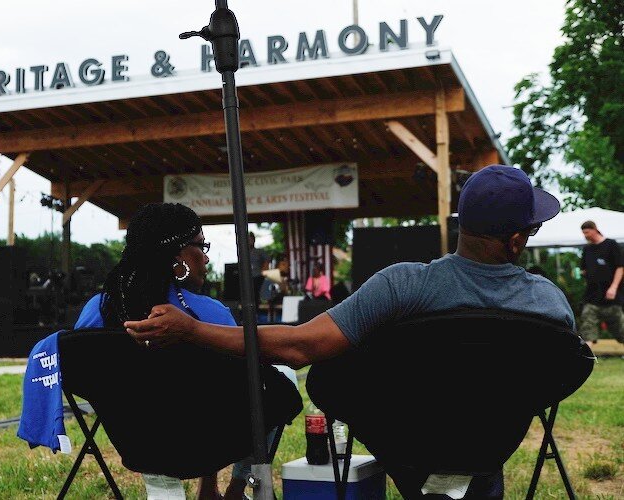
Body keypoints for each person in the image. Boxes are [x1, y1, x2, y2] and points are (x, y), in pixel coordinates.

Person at [124, 165, 574, 499]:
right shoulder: (548, 305)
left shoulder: (403, 284)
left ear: (463, 224)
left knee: (332, 378)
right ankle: (461, 476)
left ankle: (439, 478)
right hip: (491, 438)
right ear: (517, 241)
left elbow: (301, 347)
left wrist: (190, 330)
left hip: (410, 442)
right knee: (480, 421)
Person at [74, 202, 264, 500]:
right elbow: (240, 383)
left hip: (137, 445)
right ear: (179, 256)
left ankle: (185, 488)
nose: (206, 258)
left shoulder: (99, 309)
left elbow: (80, 369)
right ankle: (238, 488)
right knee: (277, 380)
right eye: (201, 246)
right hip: (209, 443)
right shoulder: (211, 314)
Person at [579, 220, 624, 345]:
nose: (585, 235)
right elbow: (583, 269)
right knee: (587, 325)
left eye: (587, 232)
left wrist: (614, 287)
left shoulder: (611, 245)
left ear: (595, 229)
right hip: (592, 296)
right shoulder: (587, 249)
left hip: (611, 296)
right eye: (583, 233)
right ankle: (587, 356)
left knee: (619, 329)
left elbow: (620, 267)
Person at [248, 231, 269, 309]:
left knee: (255, 291)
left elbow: (267, 261)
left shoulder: (259, 251)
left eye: (250, 239)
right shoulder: (243, 253)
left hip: (257, 276)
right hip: (247, 277)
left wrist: (263, 271)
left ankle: (256, 308)